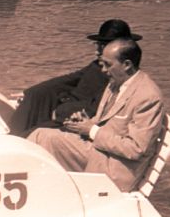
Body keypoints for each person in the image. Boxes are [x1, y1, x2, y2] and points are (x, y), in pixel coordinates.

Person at [27, 37, 165, 192]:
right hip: (100, 152)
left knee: (41, 138)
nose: (103, 70)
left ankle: (30, 191)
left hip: (115, 167)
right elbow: (103, 121)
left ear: (127, 65)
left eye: (108, 65)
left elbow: (136, 149)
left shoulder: (147, 96)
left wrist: (92, 130)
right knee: (41, 135)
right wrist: (86, 122)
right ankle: (29, 188)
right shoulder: (115, 83)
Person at [9, 19, 142, 138]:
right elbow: (72, 78)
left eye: (102, 46)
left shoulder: (118, 75)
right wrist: (31, 91)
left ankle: (19, 144)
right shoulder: (97, 65)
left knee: (35, 132)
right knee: (35, 95)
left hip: (78, 115)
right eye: (98, 45)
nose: (97, 51)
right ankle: (11, 137)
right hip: (70, 104)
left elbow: (100, 107)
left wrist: (62, 109)